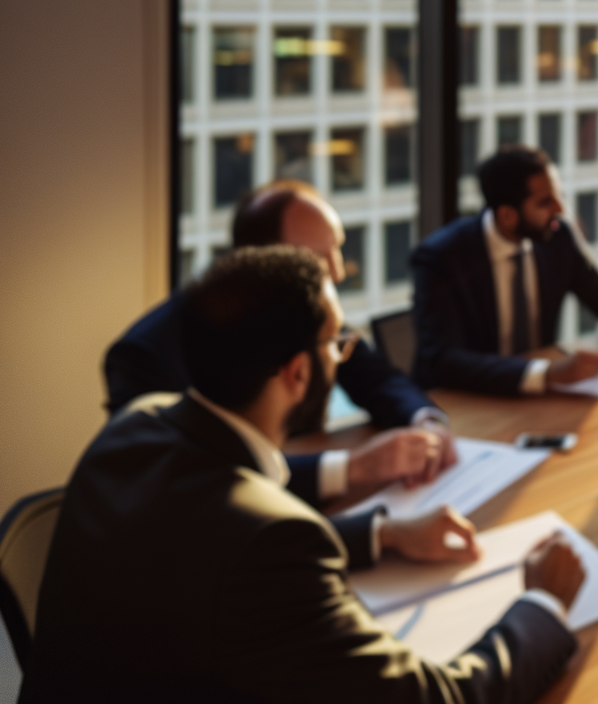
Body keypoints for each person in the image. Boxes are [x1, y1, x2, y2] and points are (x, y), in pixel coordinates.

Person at [14, 247, 585, 704]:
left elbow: (199, 556)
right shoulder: (270, 540)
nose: (341, 356)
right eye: (335, 342)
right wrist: (542, 605)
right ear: (295, 374)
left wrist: (384, 533)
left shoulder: (134, 426)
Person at [102, 180, 455, 569]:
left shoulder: (309, 316)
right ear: (262, 261)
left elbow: (377, 377)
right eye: (318, 259)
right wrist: (353, 469)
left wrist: (426, 422)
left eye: (337, 248)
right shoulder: (146, 354)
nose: (337, 272)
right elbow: (195, 496)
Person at [412, 146, 598, 396]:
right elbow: (444, 360)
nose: (560, 209)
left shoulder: (556, 237)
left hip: (540, 399)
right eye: (545, 202)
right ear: (507, 215)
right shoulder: (441, 258)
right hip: (470, 403)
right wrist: (547, 373)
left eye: (556, 196)